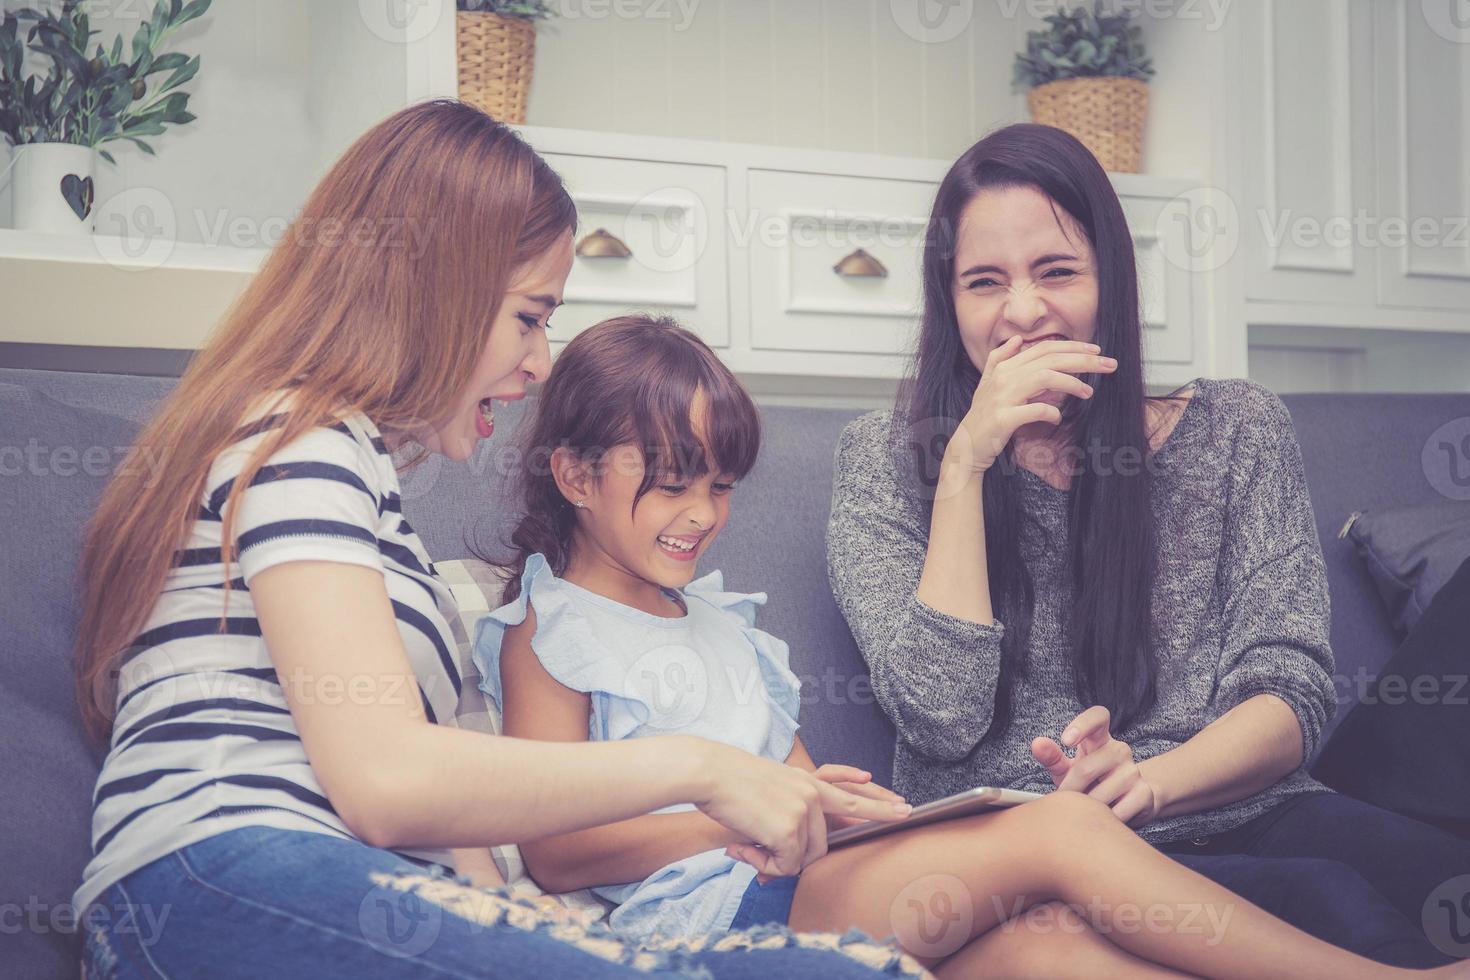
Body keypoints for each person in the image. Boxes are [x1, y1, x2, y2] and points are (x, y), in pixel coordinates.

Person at [70, 100, 924, 980]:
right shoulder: (297, 441)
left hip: (329, 885)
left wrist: (526, 922)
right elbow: (387, 784)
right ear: (431, 291)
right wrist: (705, 771)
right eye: (528, 317)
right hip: (217, 880)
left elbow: (439, 820)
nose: (541, 361)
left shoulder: (359, 487)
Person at [475, 312, 1464, 979]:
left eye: (721, 485)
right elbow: (555, 849)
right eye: (670, 480)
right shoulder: (547, 627)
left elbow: (803, 787)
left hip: (792, 880)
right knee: (1060, 831)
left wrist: (844, 803)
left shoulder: (724, 621)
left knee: (1046, 945)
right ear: (572, 472)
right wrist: (762, 817)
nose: (700, 514)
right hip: (702, 912)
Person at [825, 122, 1470, 968]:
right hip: (1038, 851)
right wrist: (966, 464)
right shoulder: (885, 461)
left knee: (1433, 880)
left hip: (1238, 801)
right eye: (984, 282)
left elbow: (1291, 691)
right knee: (1331, 902)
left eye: (1057, 271)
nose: (1022, 312)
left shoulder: (1238, 432)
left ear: (1113, 281)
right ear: (949, 302)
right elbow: (937, 719)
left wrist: (1153, 782)